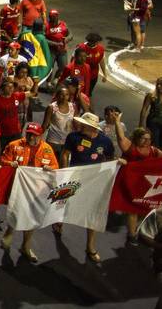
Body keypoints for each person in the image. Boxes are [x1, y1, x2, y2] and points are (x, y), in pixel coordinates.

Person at [61, 112, 121, 263]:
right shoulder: (73, 137)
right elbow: (65, 154)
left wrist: (114, 166)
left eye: (84, 125)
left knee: (92, 212)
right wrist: (64, 172)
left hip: (94, 181)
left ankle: (90, 246)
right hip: (74, 178)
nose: (81, 126)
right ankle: (58, 221)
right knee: (62, 204)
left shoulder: (105, 142)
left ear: (92, 127)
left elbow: (109, 159)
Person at [0, 122, 59, 261]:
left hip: (37, 190)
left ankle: (26, 246)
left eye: (34, 135)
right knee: (16, 210)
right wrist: (10, 164)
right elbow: (3, 160)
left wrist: (50, 168)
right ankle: (10, 230)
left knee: (32, 216)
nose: (31, 137)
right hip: (18, 186)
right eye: (29, 134)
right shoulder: (14, 145)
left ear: (41, 135)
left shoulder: (47, 149)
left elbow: (55, 166)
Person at [140, 77, 162, 148]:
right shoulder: (151, 95)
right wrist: (141, 124)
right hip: (153, 123)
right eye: (158, 84)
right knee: (155, 144)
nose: (159, 86)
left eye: (161, 84)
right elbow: (144, 109)